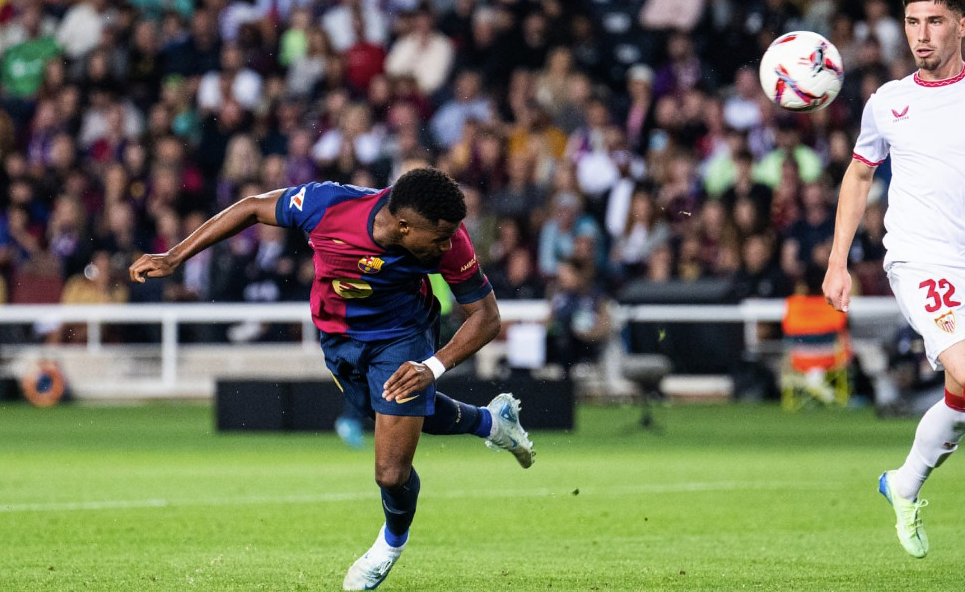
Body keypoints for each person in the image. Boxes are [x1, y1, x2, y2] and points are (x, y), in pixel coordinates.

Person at [129, 167, 535, 590]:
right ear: (403, 226)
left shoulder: (449, 240)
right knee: (402, 416)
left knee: (390, 472)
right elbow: (251, 208)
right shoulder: (328, 205)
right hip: (339, 339)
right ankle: (492, 422)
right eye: (440, 238)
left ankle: (389, 545)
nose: (449, 244)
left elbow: (487, 317)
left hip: (402, 338)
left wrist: (431, 366)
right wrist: (175, 256)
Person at [822, 0, 965, 560]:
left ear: (961, 23)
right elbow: (859, 176)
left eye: (934, 21)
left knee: (960, 396)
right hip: (921, 261)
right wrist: (837, 261)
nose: (920, 35)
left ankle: (904, 483)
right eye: (911, 22)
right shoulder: (888, 101)